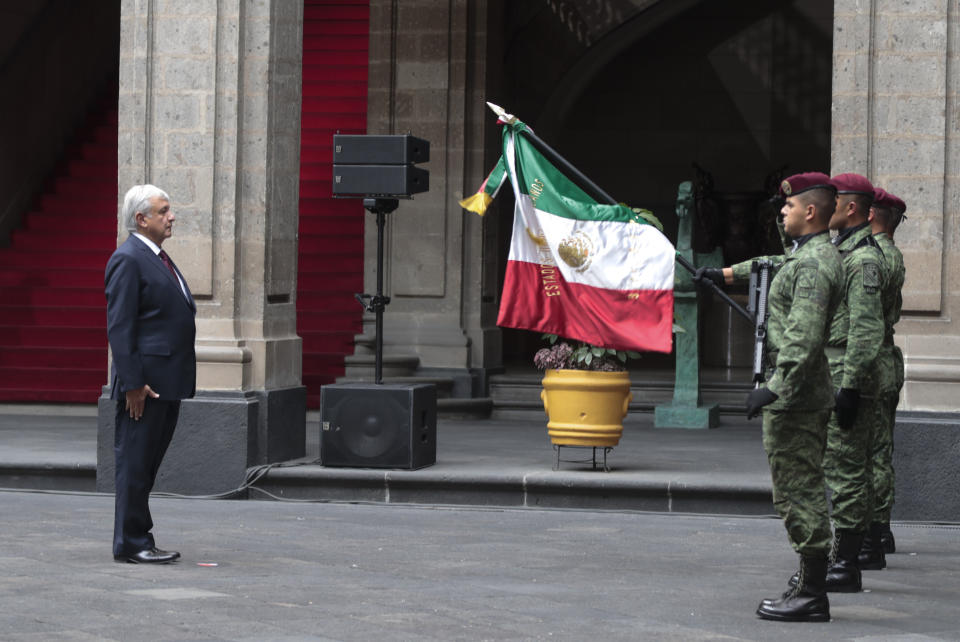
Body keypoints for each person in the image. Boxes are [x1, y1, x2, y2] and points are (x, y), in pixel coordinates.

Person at [696, 172, 844, 622]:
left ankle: (813, 595)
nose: (782, 212)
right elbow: (769, 264)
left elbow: (802, 339)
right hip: (795, 394)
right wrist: (722, 273)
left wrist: (771, 390)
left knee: (799, 494)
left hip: (795, 397)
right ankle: (808, 579)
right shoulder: (804, 257)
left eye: (789, 206)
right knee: (795, 491)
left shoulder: (816, 265)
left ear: (811, 211)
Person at [105, 184, 196, 564]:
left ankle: (139, 535)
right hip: (144, 387)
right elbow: (120, 327)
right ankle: (131, 542)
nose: (171, 216)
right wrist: (133, 384)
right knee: (136, 465)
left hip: (165, 382)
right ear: (141, 219)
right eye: (163, 211)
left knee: (147, 464)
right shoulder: (128, 258)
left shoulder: (156, 257)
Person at [820, 172, 888, 591]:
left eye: (833, 199)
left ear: (850, 208)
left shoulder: (863, 260)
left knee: (846, 473)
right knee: (844, 471)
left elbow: (865, 331)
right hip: (837, 375)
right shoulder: (842, 251)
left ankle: (844, 566)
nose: (825, 207)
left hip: (849, 379)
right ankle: (843, 558)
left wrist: (849, 387)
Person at [860, 187, 907, 560]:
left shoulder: (878, 257)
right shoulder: (889, 254)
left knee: (872, 453)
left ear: (872, 214)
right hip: (886, 359)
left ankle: (874, 535)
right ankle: (881, 532)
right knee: (879, 451)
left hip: (875, 361)